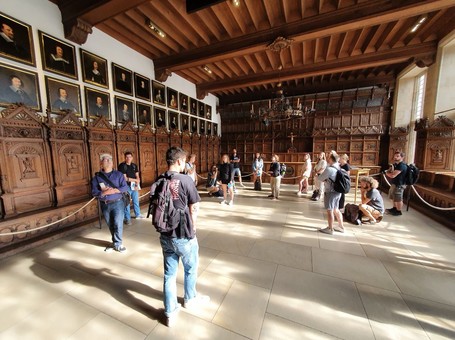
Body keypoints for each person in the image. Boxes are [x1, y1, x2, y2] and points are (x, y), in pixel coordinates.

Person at [157, 146, 209, 327]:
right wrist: (193, 230)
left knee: (169, 275)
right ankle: (190, 298)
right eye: (184, 161)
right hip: (183, 234)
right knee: (190, 268)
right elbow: (194, 207)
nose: (185, 163)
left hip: (165, 235)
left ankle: (170, 312)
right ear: (179, 161)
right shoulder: (186, 180)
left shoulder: (160, 179)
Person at [91, 153, 129, 252]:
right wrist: (104, 192)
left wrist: (114, 190)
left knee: (118, 223)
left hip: (118, 203)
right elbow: (94, 192)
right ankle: (115, 242)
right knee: (110, 224)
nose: (108, 161)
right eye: (105, 159)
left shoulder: (119, 174)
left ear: (113, 163)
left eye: (110, 160)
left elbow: (125, 187)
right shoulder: (97, 177)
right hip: (105, 204)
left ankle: (118, 243)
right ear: (101, 163)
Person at [318, 153, 344, 235]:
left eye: (328, 158)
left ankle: (330, 228)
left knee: (330, 210)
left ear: (331, 159)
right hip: (338, 191)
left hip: (330, 192)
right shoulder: (338, 167)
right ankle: (341, 226)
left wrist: (322, 176)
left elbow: (320, 178)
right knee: (336, 209)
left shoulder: (329, 169)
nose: (327, 159)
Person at [118, 152, 144, 225]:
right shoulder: (122, 166)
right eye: (126, 157)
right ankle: (127, 218)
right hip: (126, 187)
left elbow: (137, 175)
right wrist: (135, 180)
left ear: (132, 157)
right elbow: (125, 178)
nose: (128, 158)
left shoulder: (134, 166)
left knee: (136, 201)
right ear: (124, 158)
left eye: (130, 157)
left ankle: (138, 214)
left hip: (134, 186)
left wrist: (137, 183)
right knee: (127, 203)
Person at [385, 151, 408, 216]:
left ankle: (398, 211)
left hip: (399, 184)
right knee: (393, 197)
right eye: (395, 156)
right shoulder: (396, 165)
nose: (395, 157)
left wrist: (387, 173)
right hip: (395, 183)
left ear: (402, 157)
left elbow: (392, 175)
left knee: (398, 198)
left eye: (397, 156)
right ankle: (394, 208)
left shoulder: (401, 165)